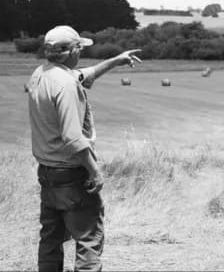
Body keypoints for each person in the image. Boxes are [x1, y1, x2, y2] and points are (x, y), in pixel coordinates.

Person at [27, 25, 141, 271]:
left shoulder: (41, 74)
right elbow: (73, 138)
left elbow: (83, 75)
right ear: (69, 52)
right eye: (79, 47)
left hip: (47, 172)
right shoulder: (66, 86)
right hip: (71, 173)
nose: (81, 52)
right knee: (88, 240)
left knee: (50, 240)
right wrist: (94, 171)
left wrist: (116, 61)